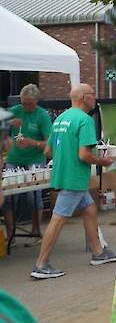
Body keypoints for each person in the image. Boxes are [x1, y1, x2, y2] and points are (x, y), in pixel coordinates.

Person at [30, 83, 116, 279]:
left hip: (63, 175)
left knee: (89, 209)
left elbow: (48, 150)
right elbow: (84, 155)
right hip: (75, 178)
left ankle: (98, 253)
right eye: (92, 94)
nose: (95, 97)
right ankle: (41, 264)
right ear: (83, 98)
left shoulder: (61, 118)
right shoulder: (85, 120)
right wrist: (103, 161)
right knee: (58, 219)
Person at [3, 84, 52, 245]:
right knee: (8, 195)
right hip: (13, 159)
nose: (26, 107)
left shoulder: (42, 116)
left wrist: (33, 143)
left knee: (34, 195)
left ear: (37, 101)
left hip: (35, 160)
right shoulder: (15, 110)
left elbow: (49, 144)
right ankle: (11, 233)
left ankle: (36, 230)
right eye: (24, 103)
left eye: (30, 104)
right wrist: (8, 123)